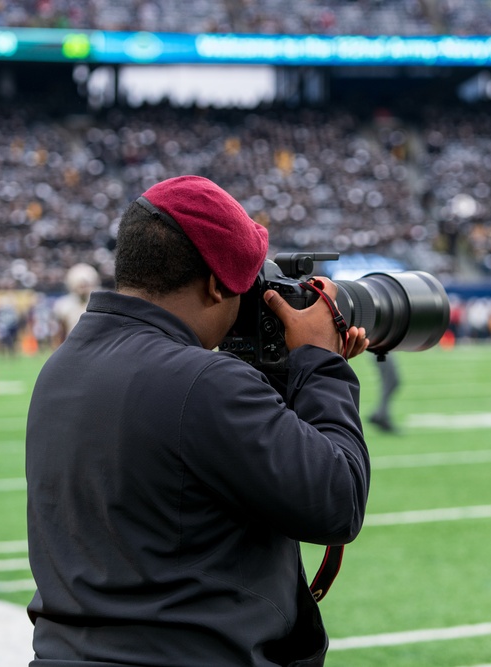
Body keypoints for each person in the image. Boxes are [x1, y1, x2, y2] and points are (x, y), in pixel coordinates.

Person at [25, 175, 371, 667]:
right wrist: (320, 363)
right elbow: (338, 500)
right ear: (215, 284)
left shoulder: (62, 367)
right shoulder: (203, 382)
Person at [52, 262, 100, 346]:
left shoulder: (100, 304)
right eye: (81, 286)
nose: (83, 288)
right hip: (71, 347)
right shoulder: (64, 305)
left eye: (85, 285)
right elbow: (60, 333)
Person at [369, 354, 400, 433]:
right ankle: (381, 415)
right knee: (391, 380)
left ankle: (380, 414)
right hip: (381, 350)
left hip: (383, 349)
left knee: (391, 381)